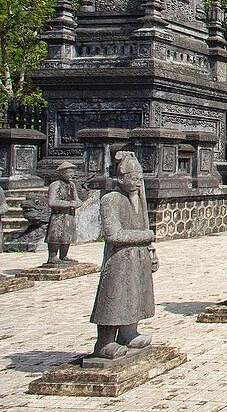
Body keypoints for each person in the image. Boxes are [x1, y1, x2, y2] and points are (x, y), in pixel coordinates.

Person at [89, 151, 157, 359]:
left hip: (137, 258)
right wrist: (145, 235)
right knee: (114, 298)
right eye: (134, 179)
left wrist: (152, 252)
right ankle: (104, 342)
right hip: (118, 260)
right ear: (121, 179)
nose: (138, 183)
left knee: (136, 294)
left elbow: (143, 229)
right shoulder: (111, 200)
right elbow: (113, 234)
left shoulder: (137, 200)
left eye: (140, 179)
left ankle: (128, 333)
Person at [44, 161, 83, 266]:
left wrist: (77, 203)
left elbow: (77, 199)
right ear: (62, 173)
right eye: (69, 172)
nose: (71, 174)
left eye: (72, 172)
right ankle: (52, 256)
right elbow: (52, 202)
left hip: (69, 215)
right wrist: (69, 204)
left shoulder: (72, 185)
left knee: (67, 234)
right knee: (55, 235)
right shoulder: (55, 185)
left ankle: (64, 255)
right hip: (58, 215)